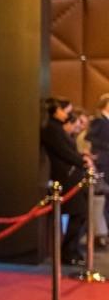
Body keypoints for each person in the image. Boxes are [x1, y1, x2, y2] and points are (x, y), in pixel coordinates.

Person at [41, 96, 95, 265]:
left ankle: (72, 250)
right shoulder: (51, 129)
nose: (68, 115)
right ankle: (68, 252)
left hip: (72, 176)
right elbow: (64, 152)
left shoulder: (56, 128)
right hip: (66, 177)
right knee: (78, 214)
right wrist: (82, 160)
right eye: (66, 111)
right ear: (57, 110)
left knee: (81, 214)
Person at [88, 94, 109, 247]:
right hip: (103, 163)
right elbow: (91, 138)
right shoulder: (99, 120)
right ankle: (101, 234)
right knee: (104, 198)